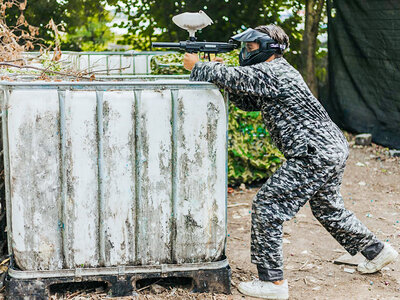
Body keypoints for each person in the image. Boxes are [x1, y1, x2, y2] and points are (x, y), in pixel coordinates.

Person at [183, 24, 398, 299]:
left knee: (268, 205)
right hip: (329, 148)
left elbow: (236, 77)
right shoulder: (273, 73)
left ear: (266, 49)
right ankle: (377, 251)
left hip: (314, 152)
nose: (246, 53)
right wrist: (213, 70)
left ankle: (273, 283)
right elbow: (247, 99)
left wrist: (199, 66)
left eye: (250, 47)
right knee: (328, 209)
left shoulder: (274, 71)